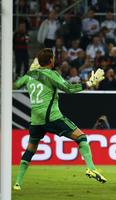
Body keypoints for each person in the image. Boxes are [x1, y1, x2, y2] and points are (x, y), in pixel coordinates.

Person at [13, 48, 106, 191]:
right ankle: (91, 168)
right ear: (51, 61)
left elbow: (15, 85)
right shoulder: (51, 74)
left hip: (36, 121)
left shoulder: (30, 75)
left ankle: (17, 183)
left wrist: (28, 73)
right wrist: (88, 84)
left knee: (30, 150)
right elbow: (68, 88)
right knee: (81, 137)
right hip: (52, 118)